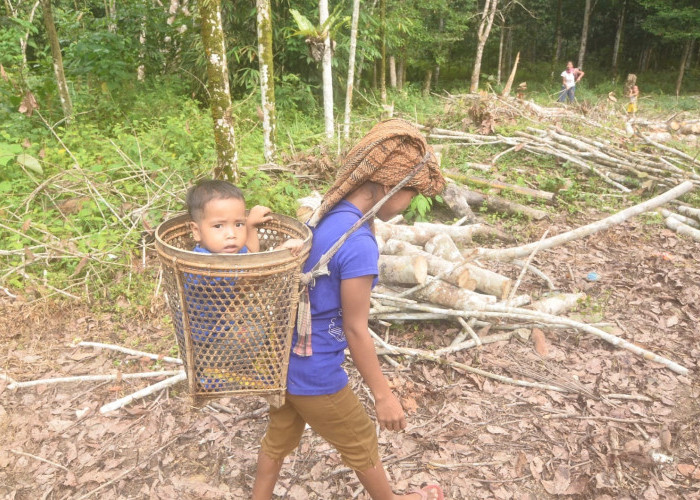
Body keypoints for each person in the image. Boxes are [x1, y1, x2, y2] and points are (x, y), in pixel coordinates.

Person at [252, 119, 447, 500]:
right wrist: (383, 395)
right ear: (388, 186)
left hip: (282, 363)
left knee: (277, 441)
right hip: (315, 372)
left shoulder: (328, 215)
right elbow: (356, 329)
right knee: (359, 439)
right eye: (411, 193)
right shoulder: (357, 244)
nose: (410, 204)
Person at [184, 180, 303, 389]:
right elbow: (250, 279)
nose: (231, 234)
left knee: (258, 312)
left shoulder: (223, 250)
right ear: (196, 231)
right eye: (218, 226)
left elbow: (250, 256)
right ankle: (216, 373)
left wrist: (250, 226)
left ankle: (233, 365)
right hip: (206, 347)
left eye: (237, 224)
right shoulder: (205, 264)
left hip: (223, 328)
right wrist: (282, 251)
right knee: (258, 325)